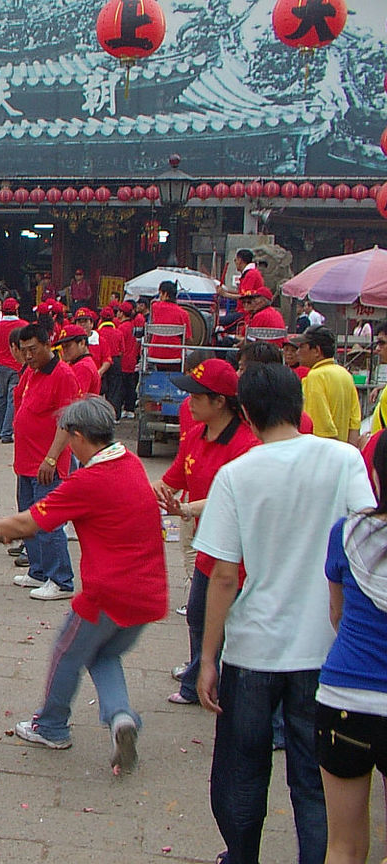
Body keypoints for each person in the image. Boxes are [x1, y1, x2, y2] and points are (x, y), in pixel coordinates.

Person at [194, 364, 375, 864]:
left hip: (254, 650)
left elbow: (224, 575)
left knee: (242, 768)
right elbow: (365, 537)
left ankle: (242, 853)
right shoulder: (344, 460)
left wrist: (208, 657)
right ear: (300, 406)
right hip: (326, 650)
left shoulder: (237, 474)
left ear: (246, 413)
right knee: (315, 780)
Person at [0, 396, 167, 773]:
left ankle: (52, 725)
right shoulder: (130, 463)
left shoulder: (89, 480)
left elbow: (29, 525)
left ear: (77, 436)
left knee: (66, 652)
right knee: (103, 654)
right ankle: (121, 717)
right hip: (148, 591)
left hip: (107, 594)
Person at [153, 360, 257, 707]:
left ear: (221, 402)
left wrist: (186, 509)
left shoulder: (247, 445)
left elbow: (235, 499)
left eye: (197, 396)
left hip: (241, 553)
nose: (189, 402)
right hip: (207, 546)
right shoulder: (196, 435)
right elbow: (171, 481)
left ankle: (228, 687)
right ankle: (197, 681)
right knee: (198, 614)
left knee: (233, 623)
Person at [314, 432, 387, 864]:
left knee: (343, 845)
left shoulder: (348, 533)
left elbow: (337, 616)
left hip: (344, 699)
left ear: (376, 474)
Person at [10, 323, 81, 600]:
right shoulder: (31, 371)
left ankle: (61, 580)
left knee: (48, 522)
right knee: (28, 518)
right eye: (24, 351)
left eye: (33, 350)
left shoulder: (63, 374)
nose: (28, 356)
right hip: (25, 461)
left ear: (47, 344)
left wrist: (51, 458)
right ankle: (38, 570)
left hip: (47, 463)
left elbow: (68, 421)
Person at [292, 325, 360, 446]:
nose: (297, 352)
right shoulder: (345, 374)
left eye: (302, 347)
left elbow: (321, 426)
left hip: (322, 452)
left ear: (317, 350)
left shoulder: (315, 376)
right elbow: (355, 421)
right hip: (343, 451)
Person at [0, 298, 27, 443]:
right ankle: (6, 432)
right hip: (17, 366)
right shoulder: (23, 325)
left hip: (1, 366)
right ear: (16, 309)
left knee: (1, 398)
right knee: (13, 400)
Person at [145, 282, 192, 366]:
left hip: (154, 354)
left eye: (160, 293)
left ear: (165, 294)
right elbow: (188, 339)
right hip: (175, 357)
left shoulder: (155, 307)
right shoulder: (184, 314)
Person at [57, 324, 101, 394]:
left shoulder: (82, 367)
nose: (64, 350)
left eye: (68, 346)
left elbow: (75, 398)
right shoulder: (80, 363)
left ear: (82, 343)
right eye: (63, 347)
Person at [115, 302, 140, 419]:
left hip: (124, 360)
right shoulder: (132, 325)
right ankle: (129, 408)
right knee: (130, 385)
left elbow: (119, 346)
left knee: (122, 387)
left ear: (122, 313)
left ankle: (125, 409)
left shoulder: (122, 328)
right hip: (132, 359)